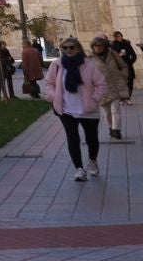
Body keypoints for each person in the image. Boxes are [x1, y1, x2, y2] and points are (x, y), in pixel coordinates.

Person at [41, 36, 108, 181]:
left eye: (71, 47)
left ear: (78, 48)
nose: (68, 50)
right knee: (72, 138)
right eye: (64, 48)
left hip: (88, 109)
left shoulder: (88, 65)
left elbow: (101, 84)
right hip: (66, 109)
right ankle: (79, 169)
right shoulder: (57, 65)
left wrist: (94, 99)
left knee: (92, 139)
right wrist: (54, 97)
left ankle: (92, 160)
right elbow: (49, 83)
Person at [91, 35, 133, 140]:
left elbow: (123, 66)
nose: (98, 47)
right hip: (101, 88)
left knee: (115, 110)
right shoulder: (90, 58)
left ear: (104, 46)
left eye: (100, 45)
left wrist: (123, 76)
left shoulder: (112, 54)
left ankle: (117, 130)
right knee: (107, 112)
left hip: (115, 85)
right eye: (95, 45)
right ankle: (110, 128)